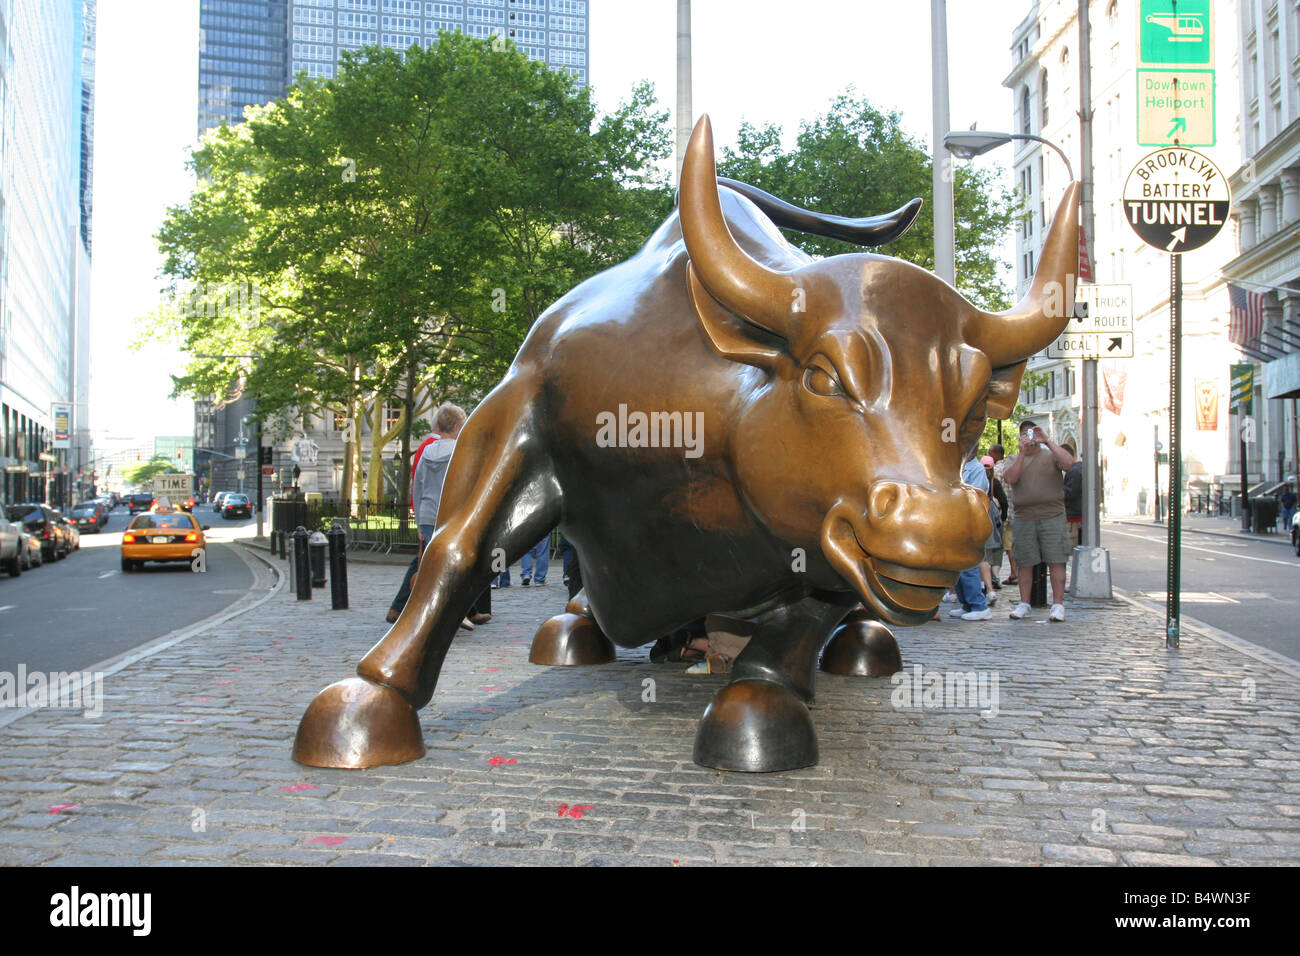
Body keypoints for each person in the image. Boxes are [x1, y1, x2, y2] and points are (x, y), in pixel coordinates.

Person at [387, 403, 481, 628]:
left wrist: (419, 522)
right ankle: (453, 612)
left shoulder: (427, 451)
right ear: (457, 427)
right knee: (458, 566)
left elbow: (417, 487)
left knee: (432, 565)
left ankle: (423, 610)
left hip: (429, 516)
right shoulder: (463, 452)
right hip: (452, 516)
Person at [1003, 419, 1075, 622]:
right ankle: (1024, 603)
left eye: (1033, 433)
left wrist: (1048, 441)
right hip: (1024, 517)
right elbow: (1011, 478)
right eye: (1026, 434)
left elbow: (1069, 463)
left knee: (1056, 559)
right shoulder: (1013, 458)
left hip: (1052, 515)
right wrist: (1023, 453)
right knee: (1025, 561)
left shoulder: (1051, 455)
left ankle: (1058, 605)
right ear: (1020, 438)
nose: (1030, 438)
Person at [950, 451, 992, 621]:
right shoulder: (957, 467)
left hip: (969, 521)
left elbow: (975, 495)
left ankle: (978, 605)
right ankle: (966, 604)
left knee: (968, 564)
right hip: (955, 520)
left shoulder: (977, 469)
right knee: (957, 565)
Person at [989, 444, 1017, 586]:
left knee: (1001, 546)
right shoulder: (1009, 466)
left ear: (995, 454)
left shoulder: (995, 471)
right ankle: (1014, 572)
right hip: (1013, 510)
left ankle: (1010, 573)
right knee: (1009, 544)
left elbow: (998, 495)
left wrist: (1002, 514)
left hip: (1000, 512)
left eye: (990, 452)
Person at [1061, 440, 1083, 550]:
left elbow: (1070, 494)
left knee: (1069, 549)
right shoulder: (1078, 469)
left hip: (1073, 518)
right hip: (1076, 516)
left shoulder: (1074, 472)